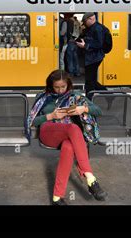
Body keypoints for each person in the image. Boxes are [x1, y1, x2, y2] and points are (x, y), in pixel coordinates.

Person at [26, 70, 108, 205]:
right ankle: (90, 178)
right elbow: (30, 121)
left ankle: (57, 197)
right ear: (50, 85)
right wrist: (50, 116)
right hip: (48, 132)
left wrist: (83, 109)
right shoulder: (43, 97)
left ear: (68, 85)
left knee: (69, 147)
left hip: (68, 135)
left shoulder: (75, 96)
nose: (59, 90)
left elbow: (99, 111)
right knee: (74, 128)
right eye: (56, 87)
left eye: (62, 87)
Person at [76, 12, 107, 98]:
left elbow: (99, 44)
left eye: (85, 21)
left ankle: (89, 101)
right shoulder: (91, 28)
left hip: (94, 58)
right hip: (91, 57)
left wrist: (85, 46)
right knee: (91, 80)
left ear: (91, 19)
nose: (84, 24)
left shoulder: (97, 29)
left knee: (89, 81)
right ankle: (108, 95)